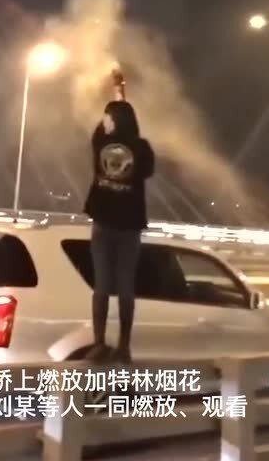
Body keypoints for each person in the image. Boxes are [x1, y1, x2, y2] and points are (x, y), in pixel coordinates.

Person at [84, 101, 155, 364]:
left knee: (102, 285)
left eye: (108, 117)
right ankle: (124, 346)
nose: (105, 121)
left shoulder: (103, 142)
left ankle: (99, 343)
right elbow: (147, 171)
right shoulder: (142, 147)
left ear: (114, 119)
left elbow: (97, 134)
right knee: (125, 286)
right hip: (129, 226)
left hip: (105, 224)